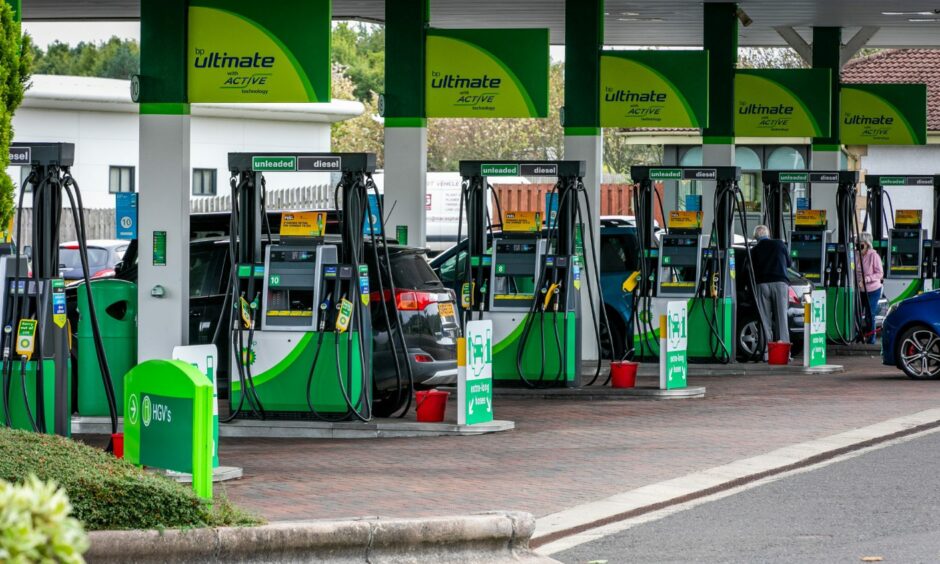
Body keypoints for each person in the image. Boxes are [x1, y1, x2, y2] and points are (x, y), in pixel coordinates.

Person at [750, 225, 791, 357]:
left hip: (762, 285)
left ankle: (766, 353)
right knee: (782, 320)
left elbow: (750, 268)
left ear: (756, 237)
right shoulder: (779, 244)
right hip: (780, 283)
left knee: (764, 320)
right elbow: (789, 263)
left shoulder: (754, 249)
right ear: (768, 234)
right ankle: (784, 353)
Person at [856, 232, 884, 344]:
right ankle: (859, 336)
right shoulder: (856, 254)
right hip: (859, 290)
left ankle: (871, 338)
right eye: (858, 243)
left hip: (873, 289)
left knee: (869, 314)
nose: (859, 245)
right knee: (857, 313)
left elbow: (880, 274)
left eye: (861, 243)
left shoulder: (874, 256)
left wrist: (866, 280)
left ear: (867, 244)